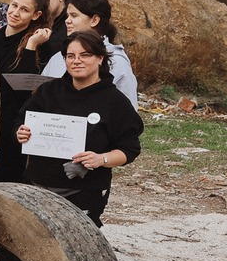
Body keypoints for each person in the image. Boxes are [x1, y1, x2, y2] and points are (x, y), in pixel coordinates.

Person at [18, 31, 143, 224]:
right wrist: (20, 132)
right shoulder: (48, 91)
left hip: (83, 191)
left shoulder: (114, 101)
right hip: (36, 185)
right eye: (70, 56)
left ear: (100, 58)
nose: (77, 61)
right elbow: (21, 122)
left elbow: (130, 148)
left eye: (85, 55)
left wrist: (102, 159)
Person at [0, 0, 54, 184]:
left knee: (8, 184)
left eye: (24, 10)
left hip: (13, 123)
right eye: (14, 5)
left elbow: (21, 86)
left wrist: (30, 46)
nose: (15, 13)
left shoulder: (41, 45)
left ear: (36, 15)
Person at [38, 0, 138, 106]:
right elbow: (41, 97)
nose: (67, 21)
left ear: (94, 20)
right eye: (67, 16)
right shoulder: (57, 58)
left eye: (74, 16)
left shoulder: (117, 61)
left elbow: (127, 111)